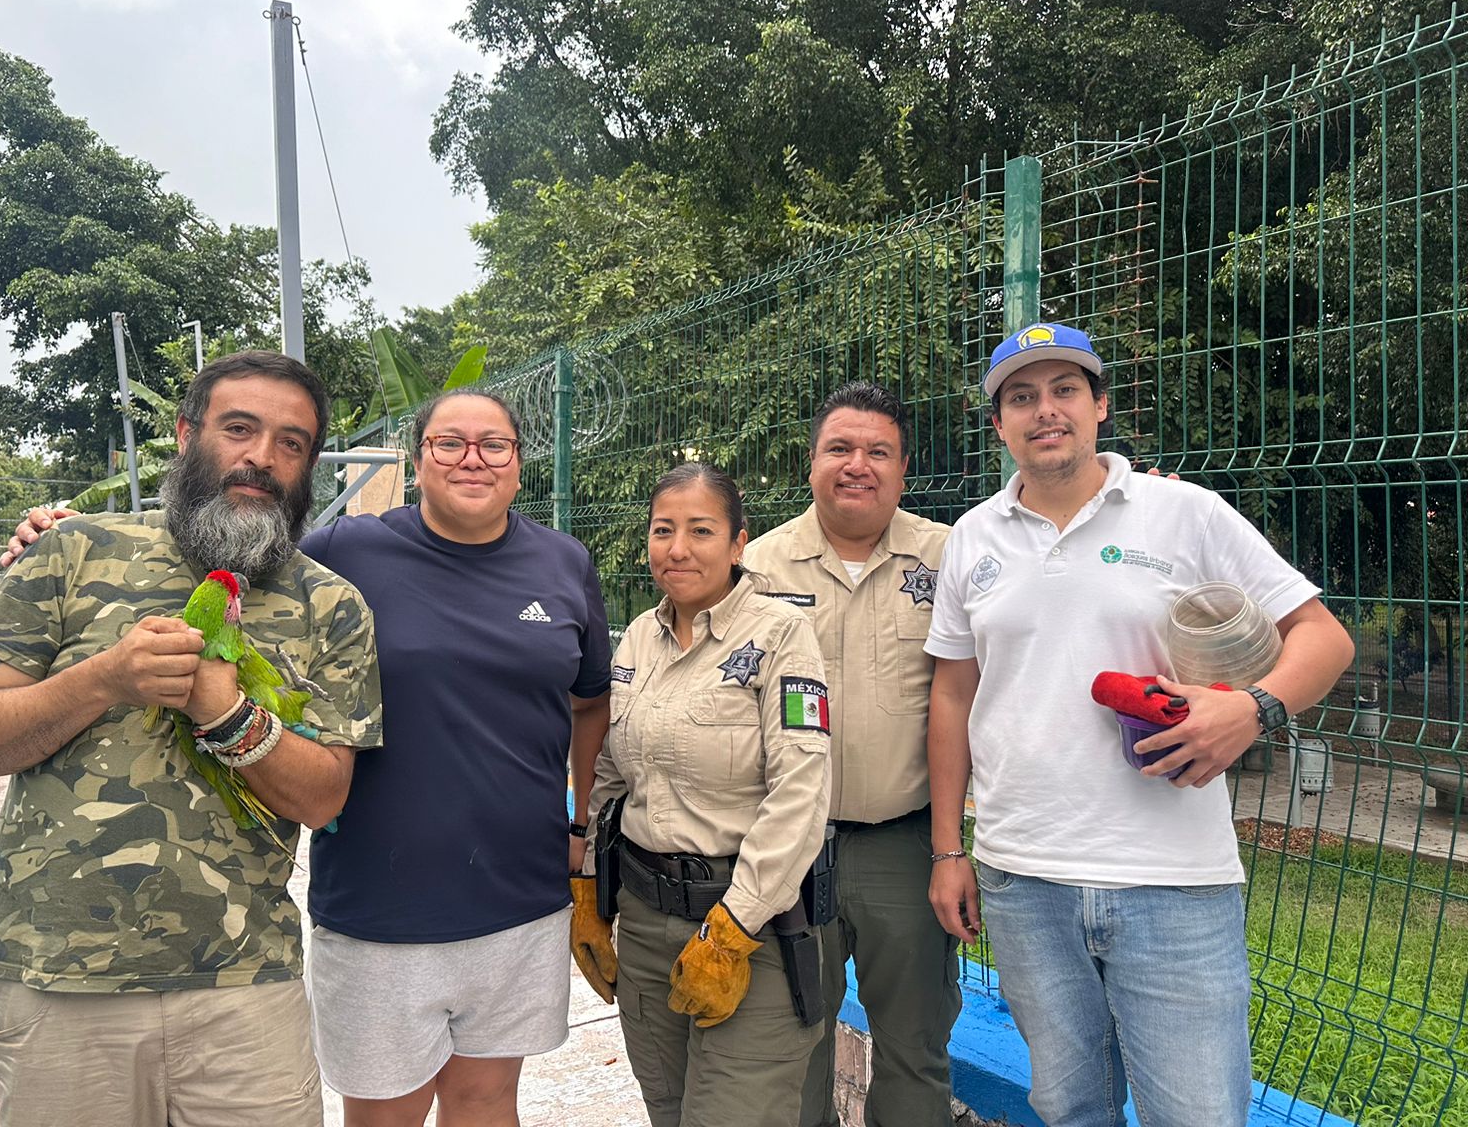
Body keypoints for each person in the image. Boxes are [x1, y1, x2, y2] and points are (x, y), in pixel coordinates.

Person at [2, 386, 612, 1127]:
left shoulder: (564, 563)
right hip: (381, 899)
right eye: (448, 443)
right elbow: (216, 550)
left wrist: (578, 828)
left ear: (520, 463)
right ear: (417, 462)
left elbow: (588, 702)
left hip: (521, 893)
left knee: (487, 1101)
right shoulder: (347, 552)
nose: (472, 459)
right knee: (386, 1110)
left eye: (495, 445)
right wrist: (57, 538)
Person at [0, 350, 383, 1127]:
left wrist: (229, 713)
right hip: (56, 980)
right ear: (185, 435)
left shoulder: (331, 606)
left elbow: (323, 796)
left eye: (291, 443)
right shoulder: (73, 553)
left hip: (244, 986)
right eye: (239, 428)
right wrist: (103, 679)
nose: (261, 458)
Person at [924, 324, 1354, 1127]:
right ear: (998, 424)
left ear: (1100, 406)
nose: (1044, 410)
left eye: (1064, 391)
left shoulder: (1184, 513)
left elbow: (1323, 637)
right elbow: (952, 696)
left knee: (1197, 1115)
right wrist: (951, 849)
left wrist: (1252, 708)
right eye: (1021, 397)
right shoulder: (971, 540)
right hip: (1023, 879)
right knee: (1069, 1108)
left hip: (1175, 883)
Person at [575, 462, 832, 1127]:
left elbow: (800, 793)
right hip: (645, 923)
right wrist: (586, 891)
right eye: (664, 531)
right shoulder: (638, 636)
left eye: (701, 530)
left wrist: (732, 929)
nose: (678, 548)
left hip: (752, 929)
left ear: (739, 543)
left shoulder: (781, 634)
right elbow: (610, 774)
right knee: (668, 1110)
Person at [741, 382, 960, 1127]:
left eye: (877, 452)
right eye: (839, 448)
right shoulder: (759, 570)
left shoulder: (948, 558)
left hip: (906, 845)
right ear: (811, 464)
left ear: (903, 470)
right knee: (791, 1047)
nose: (856, 465)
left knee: (915, 1048)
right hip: (787, 853)